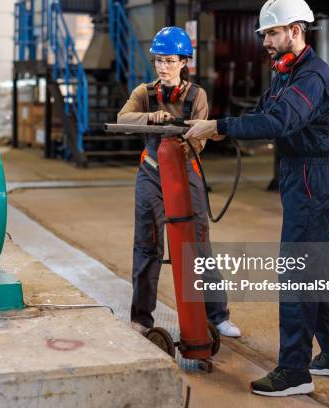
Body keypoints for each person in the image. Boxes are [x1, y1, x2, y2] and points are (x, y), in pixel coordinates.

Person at [184, 0, 329, 397]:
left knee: (297, 270)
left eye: (272, 33)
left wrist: (221, 125)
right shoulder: (286, 71)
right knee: (317, 267)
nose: (265, 41)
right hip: (300, 174)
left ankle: (295, 370)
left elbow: (281, 121)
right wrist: (217, 130)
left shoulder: (311, 76)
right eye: (264, 34)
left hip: (311, 176)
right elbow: (265, 110)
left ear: (296, 30)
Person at [118, 26, 241, 338]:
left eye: (170, 60)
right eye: (158, 60)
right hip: (151, 174)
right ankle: (142, 317)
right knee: (147, 245)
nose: (163, 67)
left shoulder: (197, 95)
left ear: (185, 61)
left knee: (198, 247)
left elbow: (200, 136)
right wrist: (150, 117)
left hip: (186, 173)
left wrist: (190, 143)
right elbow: (122, 118)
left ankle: (218, 315)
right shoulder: (143, 94)